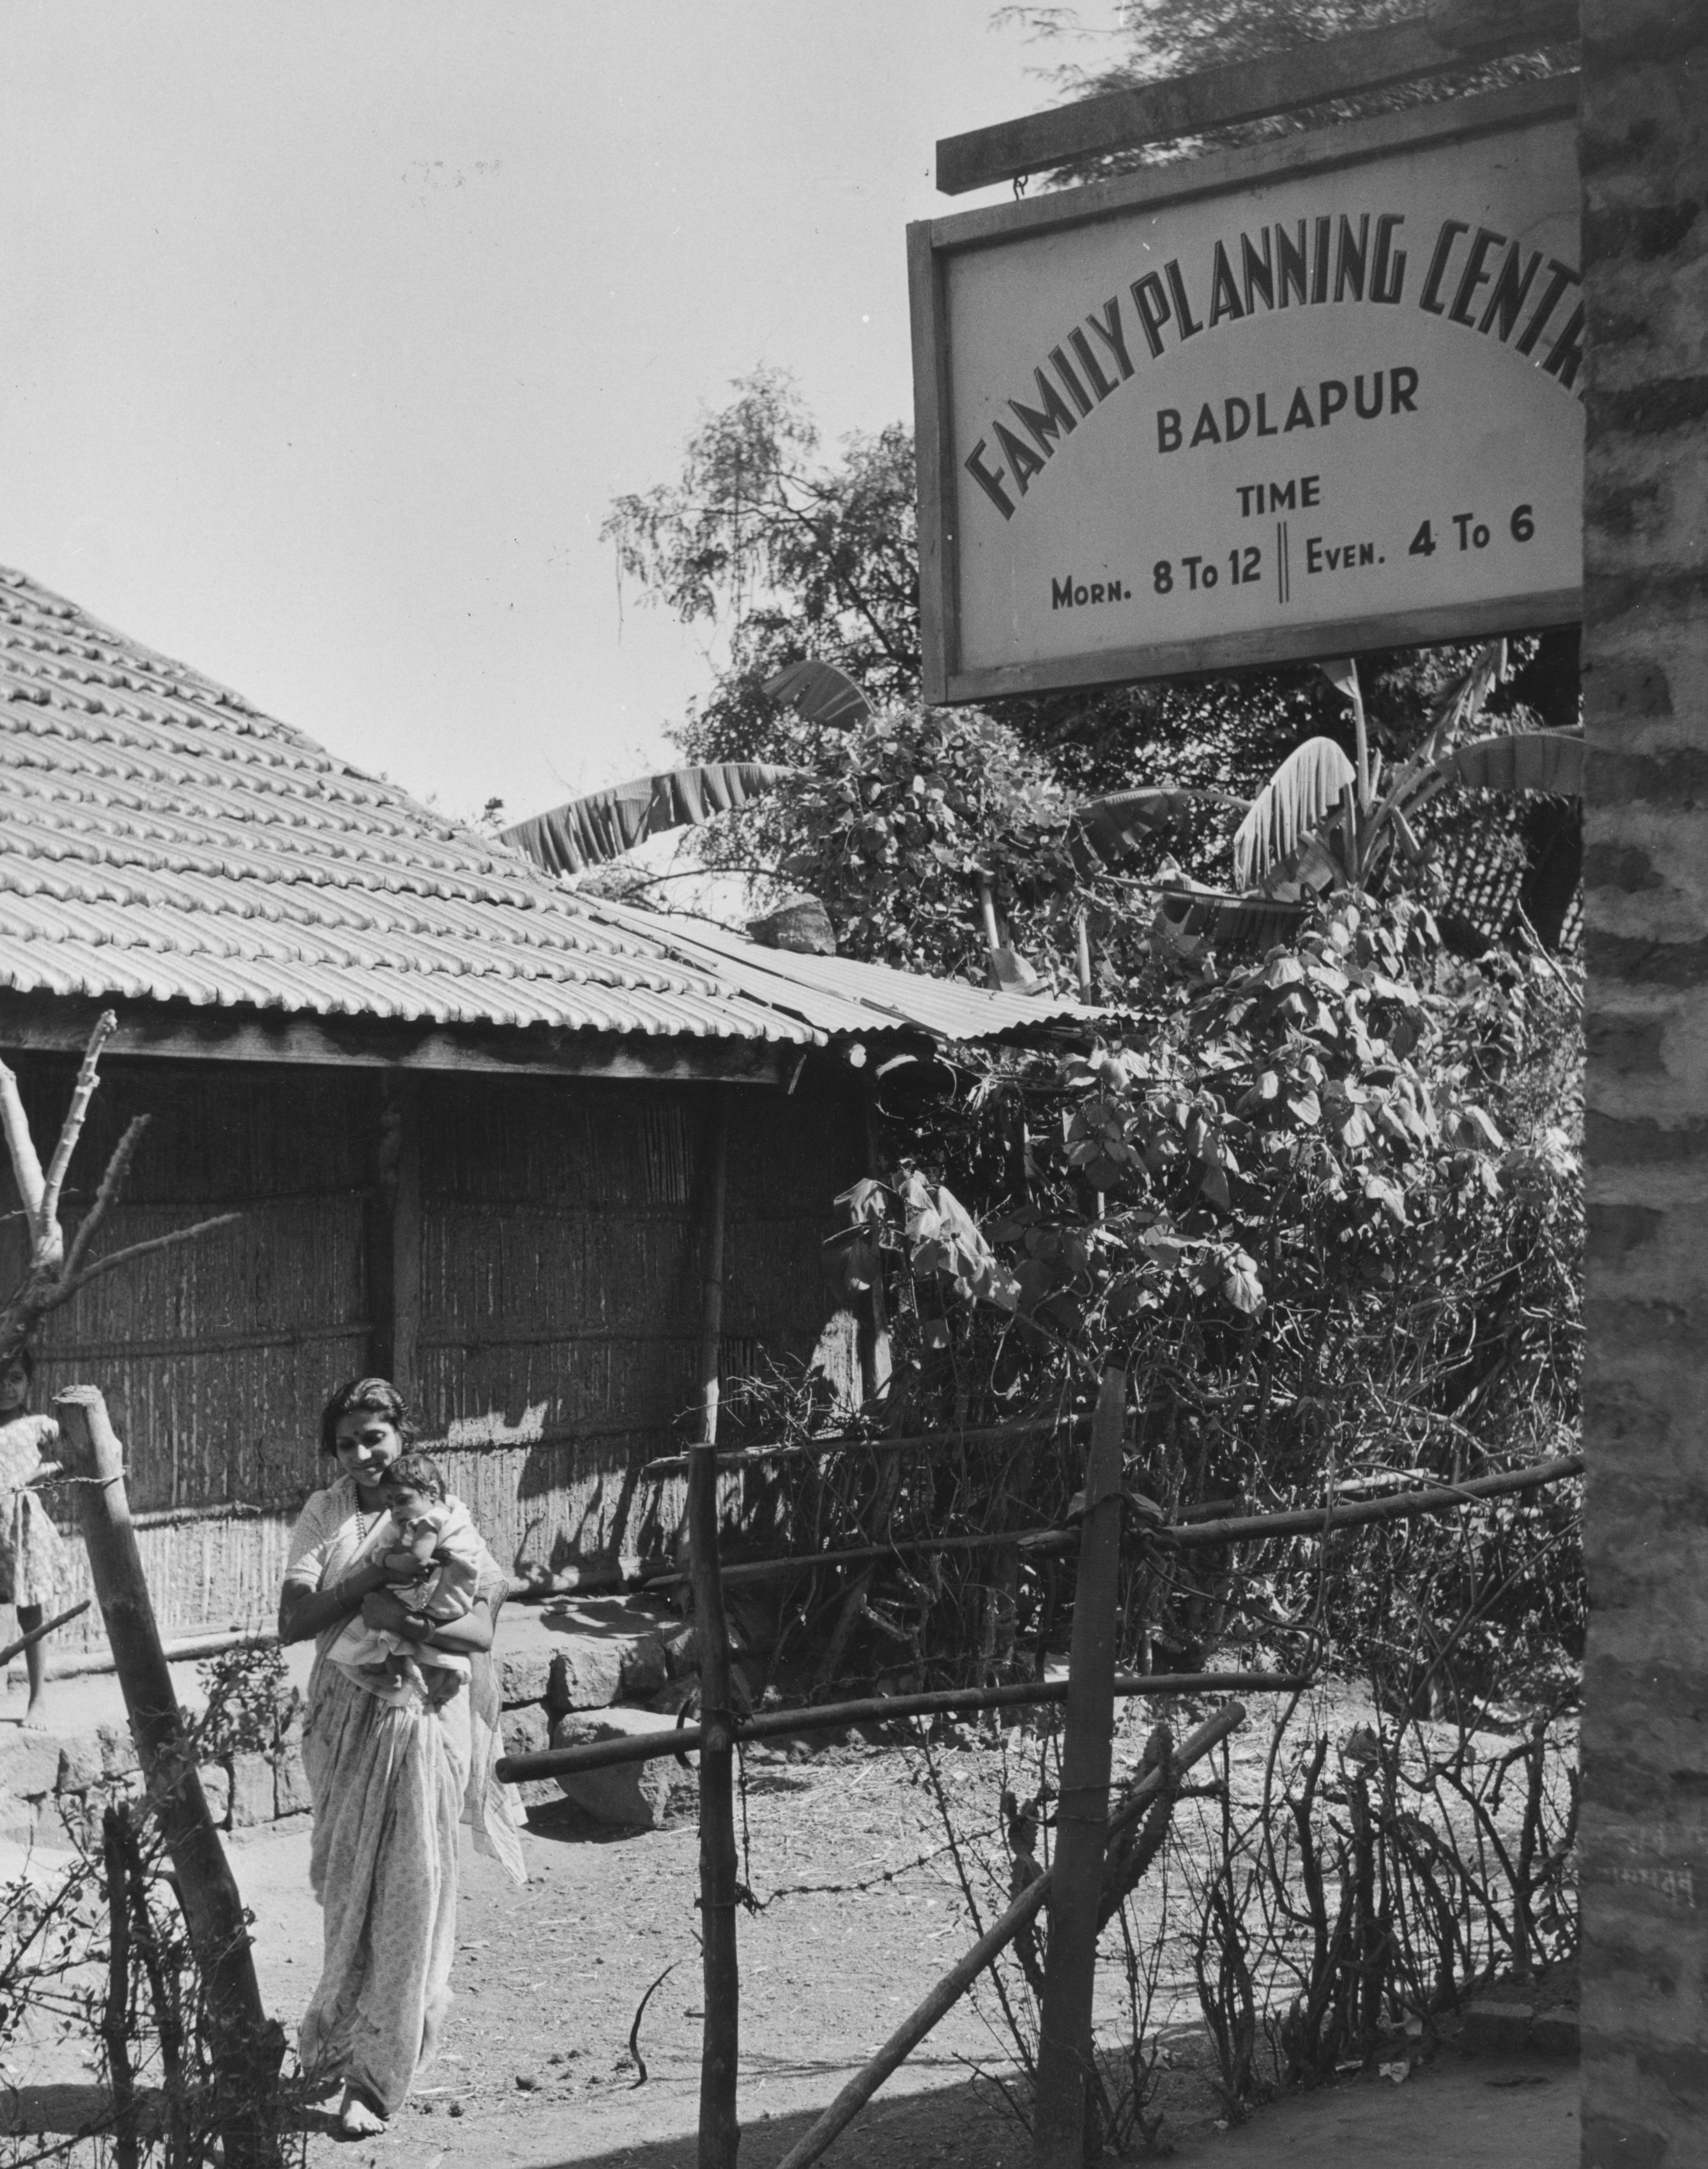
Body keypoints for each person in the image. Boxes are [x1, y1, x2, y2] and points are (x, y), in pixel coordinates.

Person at [278, 1377, 524, 2138]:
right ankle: (337, 2041)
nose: (361, 1454)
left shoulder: (445, 1513)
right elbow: (293, 1617)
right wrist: (372, 1581)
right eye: (347, 1442)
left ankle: (377, 2078)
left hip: (420, 1714)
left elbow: (483, 1624)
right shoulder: (327, 1514)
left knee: (412, 1889)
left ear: (401, 1435)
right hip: (344, 1720)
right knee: (348, 1888)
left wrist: (405, 1628)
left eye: (374, 1437)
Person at [325, 1453, 482, 1705]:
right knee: (387, 1613)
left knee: (381, 1603)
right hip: (441, 1601)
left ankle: (393, 1668)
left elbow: (417, 1560)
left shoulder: (431, 1520)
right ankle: (401, 1670)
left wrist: (385, 1558)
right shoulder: (429, 1518)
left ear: (431, 1491)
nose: (396, 1511)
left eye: (402, 1501)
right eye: (390, 1506)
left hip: (443, 1596)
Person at [0, 1351, 67, 1729]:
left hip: (21, 1528)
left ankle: (38, 1698)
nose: (5, 1388)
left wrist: (40, 1474)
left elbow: (77, 1454)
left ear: (29, 1383)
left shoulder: (40, 1425)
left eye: (15, 1378)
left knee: (31, 1615)